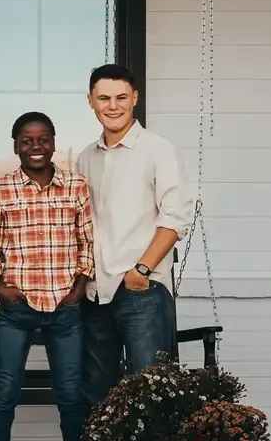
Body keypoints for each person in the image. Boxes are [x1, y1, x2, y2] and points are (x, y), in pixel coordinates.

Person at [0, 112, 95, 441]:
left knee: (71, 399)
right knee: (3, 400)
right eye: (27, 141)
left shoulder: (76, 186)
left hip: (64, 304)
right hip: (18, 306)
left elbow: (87, 241)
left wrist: (80, 285)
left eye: (43, 139)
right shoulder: (0, 189)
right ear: (15, 145)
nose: (36, 147)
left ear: (54, 142)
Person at [72, 63, 195, 409]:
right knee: (99, 396)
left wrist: (141, 271)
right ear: (91, 101)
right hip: (96, 294)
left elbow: (176, 216)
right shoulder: (85, 157)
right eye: (104, 98)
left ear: (135, 99)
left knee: (151, 394)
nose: (113, 105)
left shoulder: (157, 149)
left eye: (121, 97)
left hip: (141, 289)